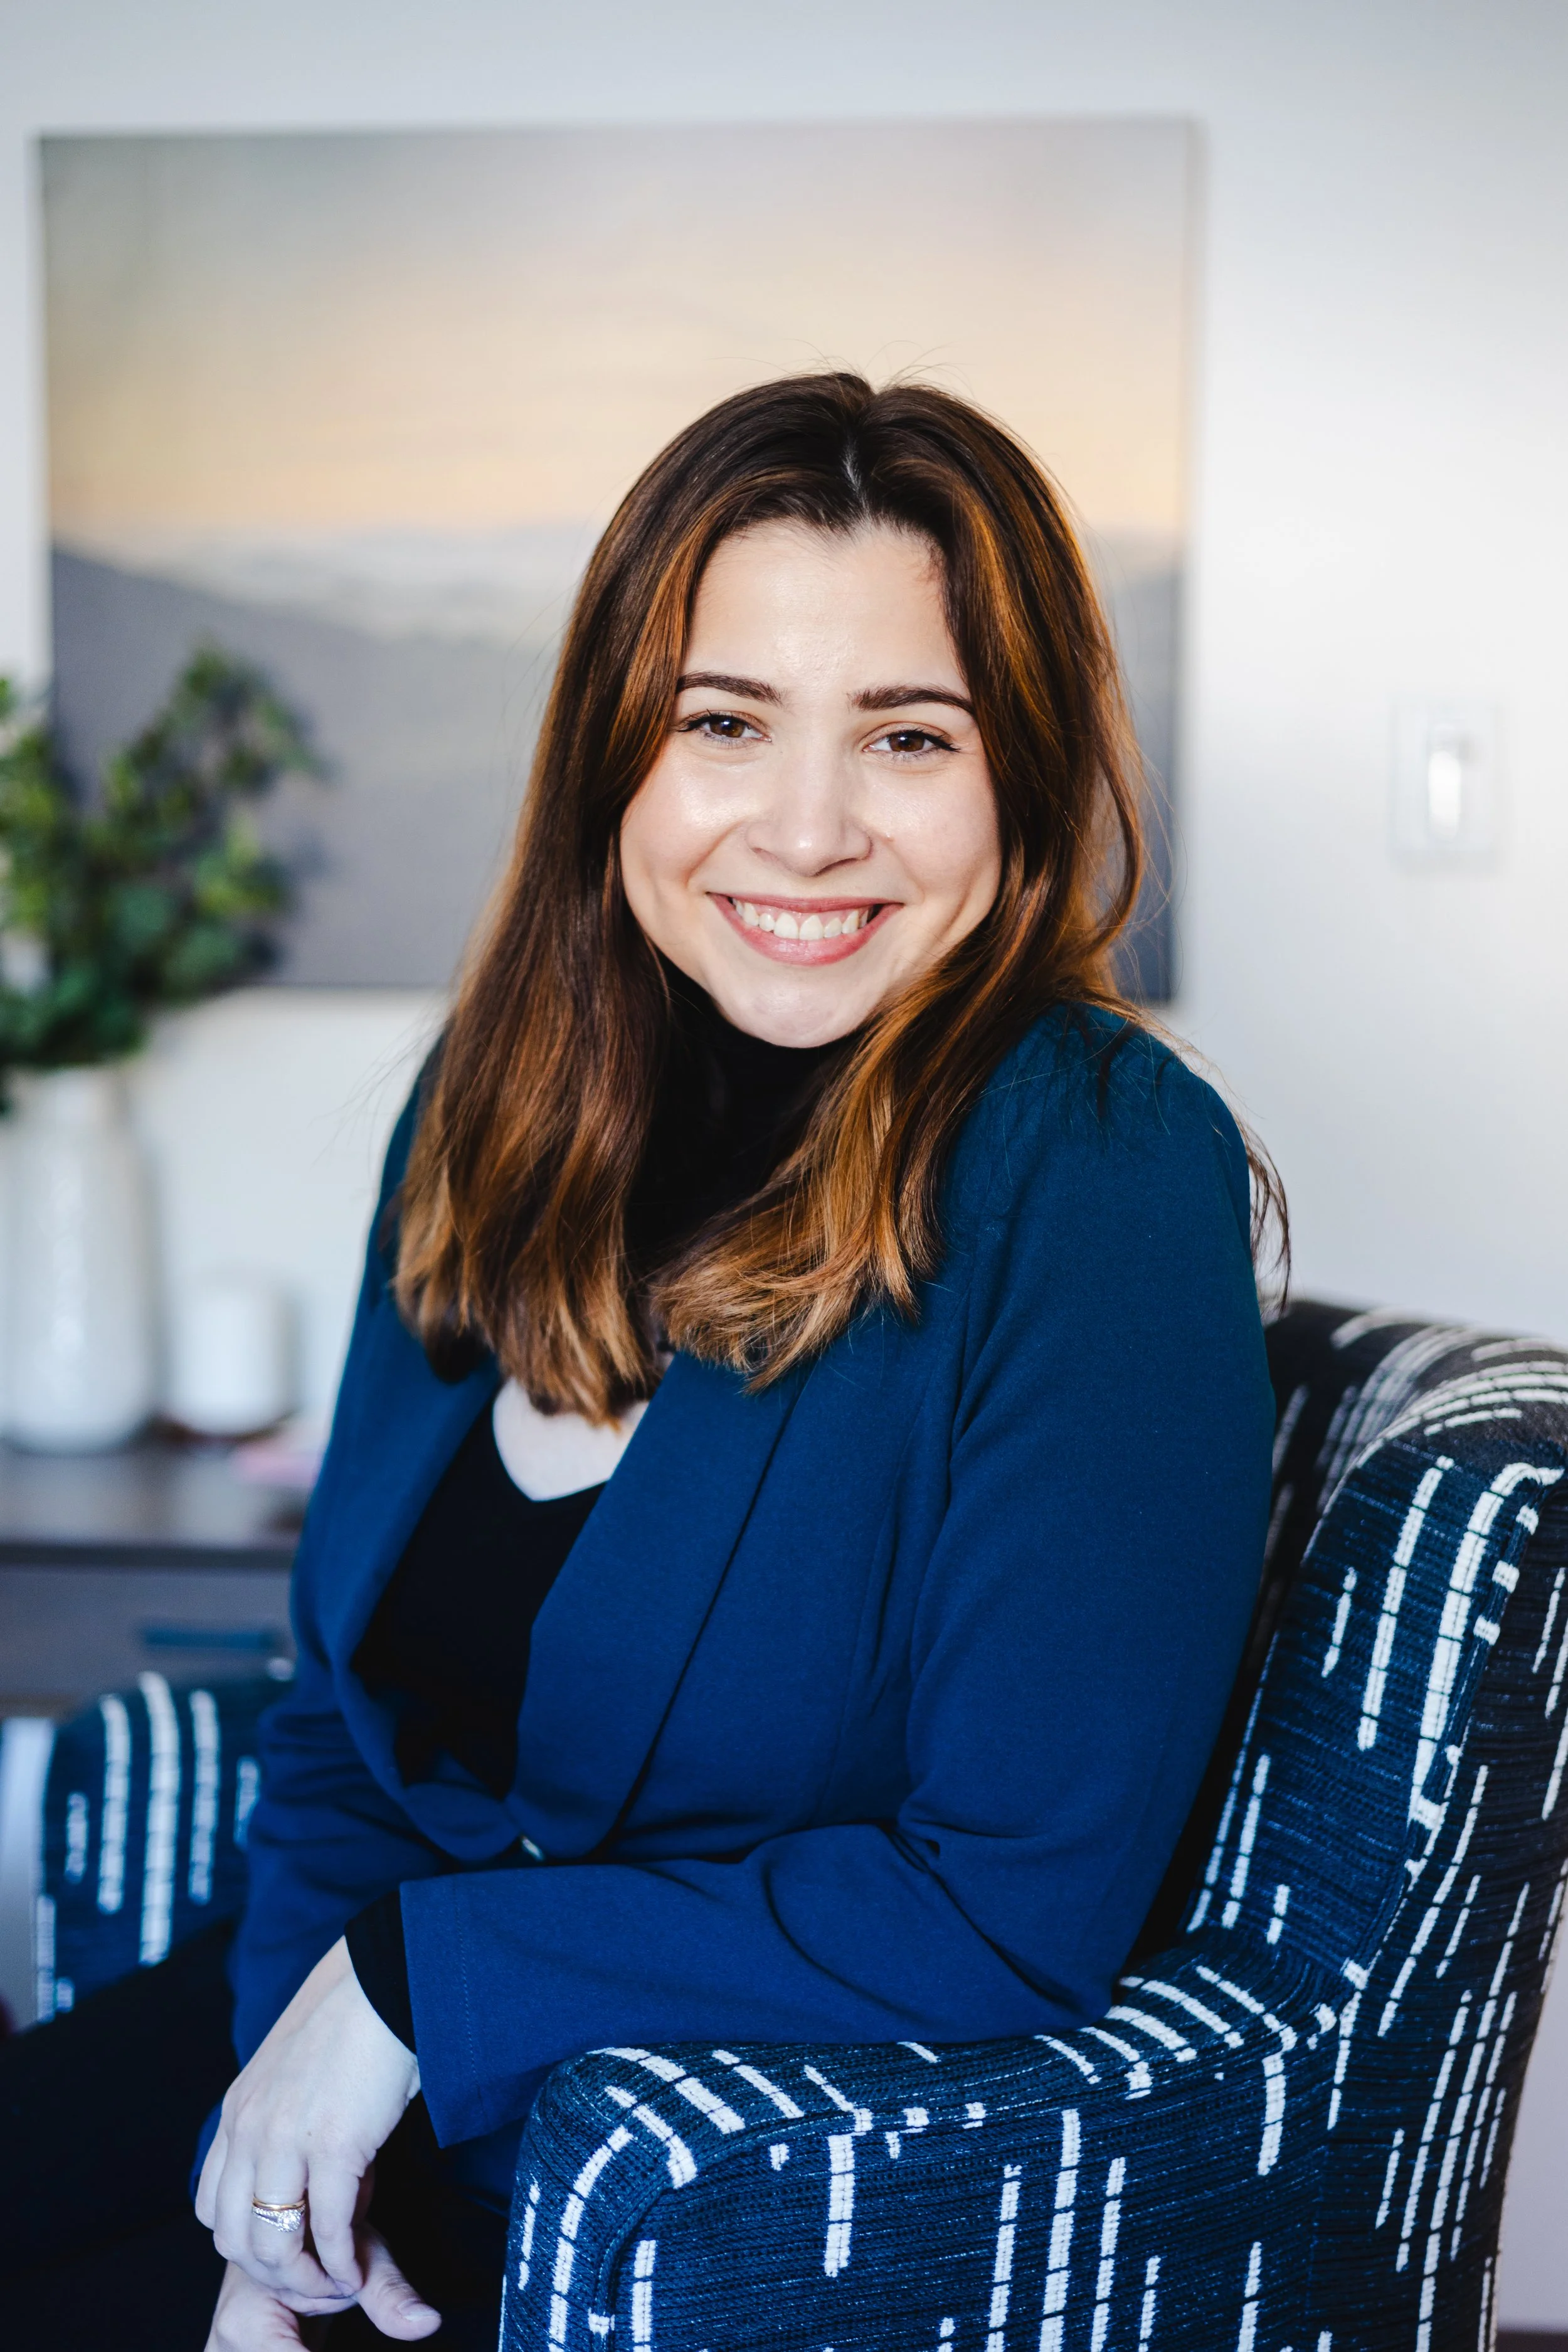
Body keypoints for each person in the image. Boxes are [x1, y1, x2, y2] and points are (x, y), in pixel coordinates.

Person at [6, 372, 1281, 2350]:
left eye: (907, 734)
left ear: (1016, 778)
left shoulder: (1090, 1163)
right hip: (331, 2045)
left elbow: (1010, 1901)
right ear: (620, 754)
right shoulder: (490, 1110)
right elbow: (341, 1731)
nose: (804, 824)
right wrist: (280, 2184)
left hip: (656, 2160)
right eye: (724, 721)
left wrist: (424, 1983)